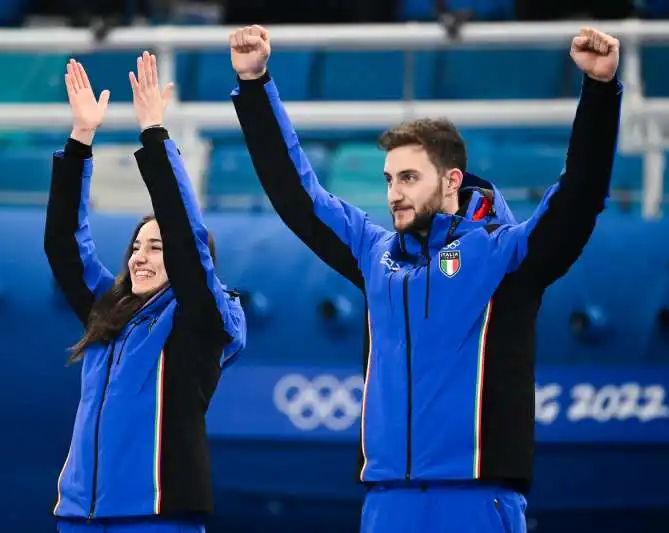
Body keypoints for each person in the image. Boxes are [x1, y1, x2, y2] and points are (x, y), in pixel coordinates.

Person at [229, 25, 621, 533]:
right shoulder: (375, 253)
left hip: (477, 498)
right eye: (389, 179)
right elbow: (296, 195)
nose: (394, 192)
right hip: (388, 501)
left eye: (409, 178)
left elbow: (580, 194)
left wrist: (600, 90)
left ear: (452, 180)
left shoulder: (506, 255)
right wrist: (256, 83)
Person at [44, 52, 246, 533]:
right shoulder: (108, 309)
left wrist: (154, 134)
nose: (139, 257)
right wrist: (81, 141)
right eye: (137, 246)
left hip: (156, 516)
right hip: (80, 516)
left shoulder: (204, 315)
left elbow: (186, 234)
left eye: (157, 248)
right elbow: (64, 245)